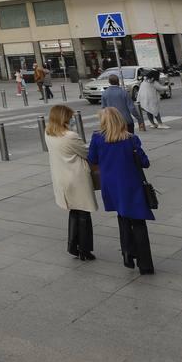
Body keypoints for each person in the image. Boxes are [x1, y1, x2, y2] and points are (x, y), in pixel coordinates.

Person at [87, 107, 154, 274]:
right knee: (138, 221)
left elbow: (92, 159)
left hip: (111, 185)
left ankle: (128, 255)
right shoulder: (131, 139)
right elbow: (145, 162)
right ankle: (145, 264)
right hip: (132, 184)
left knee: (123, 218)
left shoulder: (97, 138)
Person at [45, 104, 97, 260]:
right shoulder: (70, 136)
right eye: (70, 117)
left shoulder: (49, 133)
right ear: (64, 118)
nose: (72, 119)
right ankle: (84, 250)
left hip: (61, 177)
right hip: (76, 178)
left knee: (74, 210)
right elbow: (87, 153)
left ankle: (73, 246)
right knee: (84, 212)